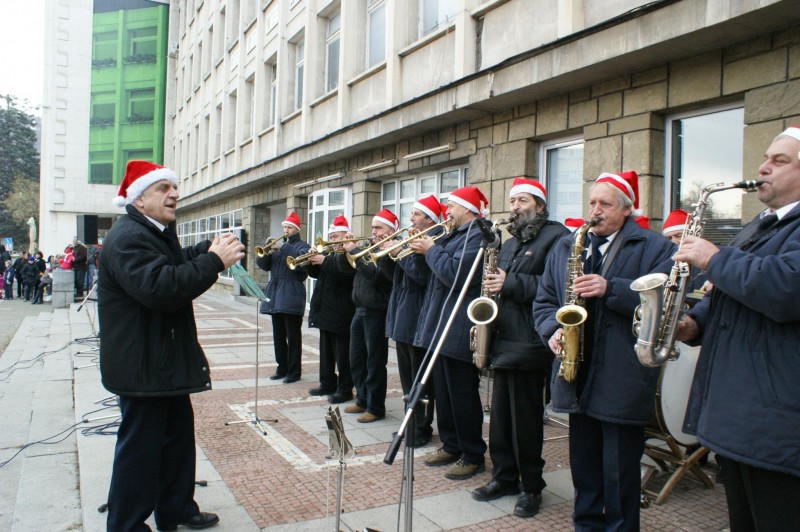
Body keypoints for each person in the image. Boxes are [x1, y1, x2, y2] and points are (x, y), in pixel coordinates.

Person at [99, 160, 244, 531]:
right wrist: (214, 261)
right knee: (140, 452)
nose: (174, 194)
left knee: (177, 441)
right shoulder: (129, 237)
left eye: (174, 187)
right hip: (143, 366)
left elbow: (176, 262)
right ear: (139, 199)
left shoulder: (153, 231)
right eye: (163, 188)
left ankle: (176, 509)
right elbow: (161, 288)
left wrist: (206, 250)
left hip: (161, 363)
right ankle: (127, 524)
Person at [675, 126, 800, 531]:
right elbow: (729, 295)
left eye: (779, 161)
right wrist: (694, 324)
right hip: (740, 418)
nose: (763, 167)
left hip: (777, 425)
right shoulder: (761, 225)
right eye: (766, 158)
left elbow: (785, 288)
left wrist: (714, 259)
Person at [534, 171, 674, 531]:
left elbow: (664, 304)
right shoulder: (568, 245)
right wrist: (552, 331)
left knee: (619, 476)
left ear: (627, 209)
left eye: (605, 204)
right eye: (592, 202)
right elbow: (545, 301)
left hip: (621, 378)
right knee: (584, 472)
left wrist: (612, 288)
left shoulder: (656, 247)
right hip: (576, 375)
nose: (595, 211)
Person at [471, 178, 569, 518]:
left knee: (526, 422)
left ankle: (531, 486)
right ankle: (504, 477)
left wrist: (509, 282)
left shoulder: (557, 237)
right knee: (500, 419)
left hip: (530, 341)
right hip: (503, 338)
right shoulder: (510, 242)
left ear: (540, 205)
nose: (515, 207)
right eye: (512, 201)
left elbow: (557, 287)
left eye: (523, 200)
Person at [410, 186, 488, 481]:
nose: (447, 212)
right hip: (441, 323)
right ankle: (451, 444)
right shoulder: (452, 235)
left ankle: (472, 454)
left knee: (462, 394)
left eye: (451, 206)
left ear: (466, 208)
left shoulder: (477, 235)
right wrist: (421, 254)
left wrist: (431, 250)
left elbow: (455, 274)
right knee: (443, 392)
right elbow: (429, 276)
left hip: (459, 325)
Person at [382, 195, 444, 447]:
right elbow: (394, 278)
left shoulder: (434, 240)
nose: (411, 219)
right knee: (407, 378)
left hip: (418, 317)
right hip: (404, 315)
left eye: (416, 214)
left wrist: (402, 254)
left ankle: (421, 428)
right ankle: (410, 423)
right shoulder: (414, 240)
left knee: (420, 380)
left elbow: (422, 276)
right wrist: (388, 256)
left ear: (429, 219)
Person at [338, 209, 397, 423]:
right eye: (373, 227)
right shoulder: (367, 248)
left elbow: (377, 276)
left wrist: (355, 252)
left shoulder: (390, 252)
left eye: (378, 228)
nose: (373, 231)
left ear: (391, 230)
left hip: (377, 312)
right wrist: (344, 251)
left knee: (374, 362)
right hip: (360, 310)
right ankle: (362, 398)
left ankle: (375, 406)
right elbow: (347, 271)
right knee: (356, 359)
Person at [305, 216, 356, 403]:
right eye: (331, 236)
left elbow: (346, 274)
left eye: (336, 236)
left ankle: (345, 389)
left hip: (342, 312)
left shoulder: (348, 254)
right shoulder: (330, 254)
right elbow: (316, 274)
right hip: (325, 311)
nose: (332, 240)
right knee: (326, 353)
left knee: (343, 356)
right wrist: (311, 261)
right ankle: (327, 383)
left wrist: (324, 261)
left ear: (345, 235)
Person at [256, 212, 310, 384]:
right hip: (276, 295)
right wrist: (265, 252)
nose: (285, 230)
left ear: (297, 229)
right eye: (285, 227)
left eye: (289, 228)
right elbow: (265, 266)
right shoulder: (280, 248)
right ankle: (282, 368)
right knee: (278, 335)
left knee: (293, 337)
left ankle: (294, 372)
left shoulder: (303, 246)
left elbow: (301, 264)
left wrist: (282, 248)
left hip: (292, 294)